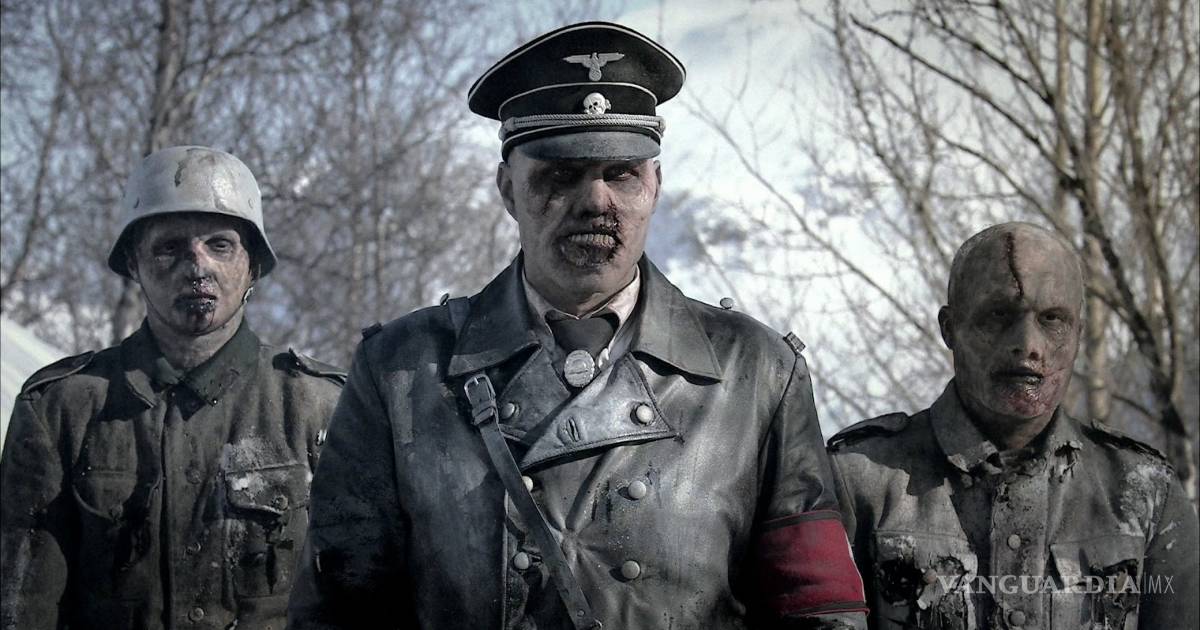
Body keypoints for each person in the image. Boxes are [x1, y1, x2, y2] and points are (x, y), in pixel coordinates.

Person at [288, 21, 866, 630]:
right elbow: (340, 610)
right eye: (561, 176)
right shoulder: (403, 371)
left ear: (655, 186)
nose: (595, 201)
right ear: (508, 189)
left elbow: (818, 609)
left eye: (622, 173)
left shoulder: (757, 373)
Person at [0, 146, 346, 630]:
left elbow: (357, 600)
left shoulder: (320, 407)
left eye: (220, 245)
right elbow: (22, 607)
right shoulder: (62, 409)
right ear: (133, 264)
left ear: (252, 266)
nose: (197, 266)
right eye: (169, 247)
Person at [827, 222, 1199, 629]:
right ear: (949, 328)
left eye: (1052, 319)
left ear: (1078, 333)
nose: (1028, 345)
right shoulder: (858, 480)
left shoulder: (1144, 490)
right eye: (999, 315)